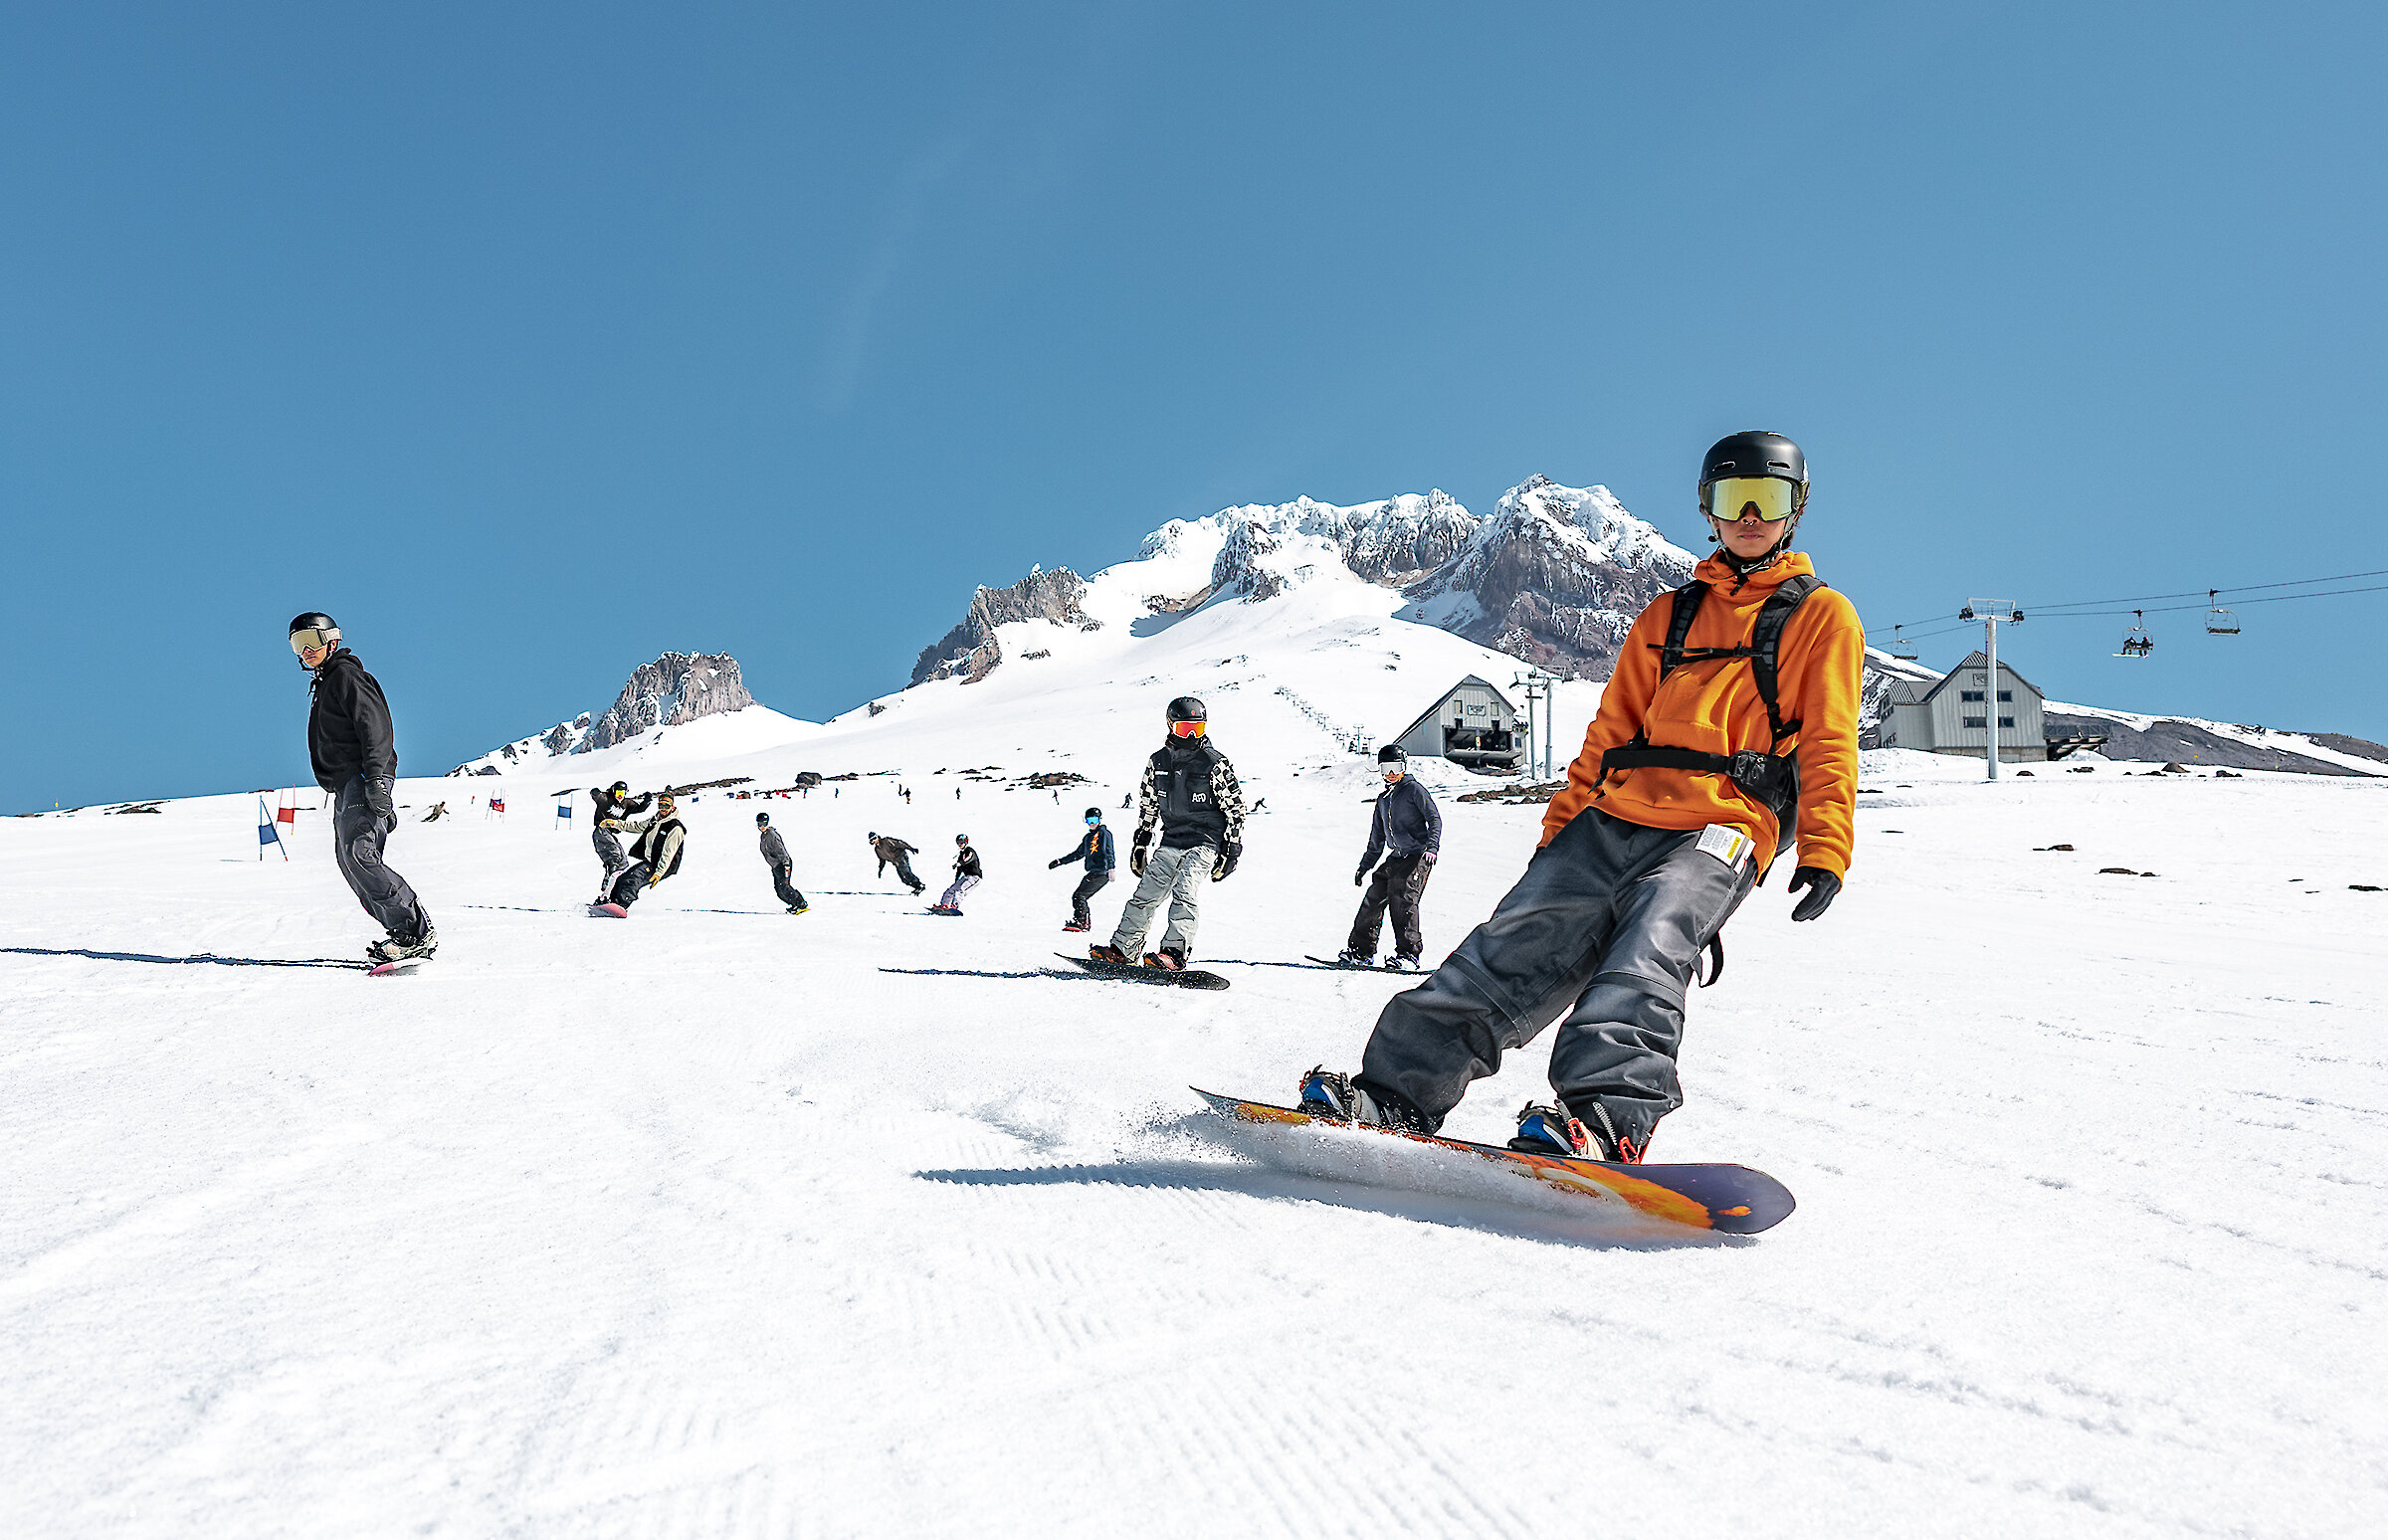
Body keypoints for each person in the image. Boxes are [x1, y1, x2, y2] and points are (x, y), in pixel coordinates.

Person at [1299, 432, 1863, 1164]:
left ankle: (1602, 1120)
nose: (1750, 516)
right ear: (1709, 510)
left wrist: (1824, 849)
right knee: (1508, 947)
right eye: (1733, 499)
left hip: (1723, 824)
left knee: (1651, 948)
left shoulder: (1822, 616)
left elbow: (1828, 738)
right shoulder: (1668, 616)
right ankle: (1395, 1093)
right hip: (1611, 815)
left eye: (1769, 498)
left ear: (1797, 508)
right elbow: (1607, 737)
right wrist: (1558, 832)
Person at [290, 612, 435, 964]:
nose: (305, 650)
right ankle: (403, 933)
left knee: (360, 854)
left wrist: (377, 782)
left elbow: (375, 727)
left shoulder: (346, 677)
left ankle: (413, 930)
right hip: (346, 785)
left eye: (311, 640)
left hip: (362, 777)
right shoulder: (327, 683)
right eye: (297, 644)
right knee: (349, 860)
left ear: (332, 640)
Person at [1091, 696, 1245, 971]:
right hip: (1172, 838)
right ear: (1171, 725)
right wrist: (1141, 843)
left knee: (1185, 891)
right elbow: (1149, 804)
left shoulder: (1214, 762)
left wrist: (1231, 850)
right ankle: (1123, 949)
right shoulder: (1158, 761)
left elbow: (1235, 808)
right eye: (1185, 729)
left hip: (1205, 840)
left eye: (1197, 729)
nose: (1191, 736)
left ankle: (1173, 953)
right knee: (1145, 894)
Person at [1340, 744, 1442, 970]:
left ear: (1404, 767)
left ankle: (1408, 955)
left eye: (1397, 767)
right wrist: (1364, 866)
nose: (1392, 773)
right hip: (1396, 857)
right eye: (1386, 768)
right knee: (1373, 898)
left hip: (1418, 855)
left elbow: (1434, 818)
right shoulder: (1383, 799)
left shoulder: (1414, 790)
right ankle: (1361, 952)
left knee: (1403, 898)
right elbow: (1376, 838)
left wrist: (1432, 847)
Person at [606, 793, 688, 910]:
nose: (663, 809)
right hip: (650, 861)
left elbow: (668, 853)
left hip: (661, 865)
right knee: (622, 879)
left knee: (632, 880)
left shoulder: (675, 828)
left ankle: (621, 906)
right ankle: (611, 904)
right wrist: (615, 823)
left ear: (672, 807)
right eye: (661, 805)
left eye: (667, 806)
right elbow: (637, 826)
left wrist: (659, 873)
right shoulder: (655, 820)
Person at [1049, 807, 1116, 932]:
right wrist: (1060, 861)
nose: (1092, 823)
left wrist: (1111, 868)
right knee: (1078, 896)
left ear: (1100, 820)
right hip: (1093, 872)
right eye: (1089, 820)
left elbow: (1109, 851)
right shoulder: (1088, 838)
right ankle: (1081, 921)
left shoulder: (1104, 834)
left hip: (1102, 872)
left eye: (1095, 820)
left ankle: (1082, 923)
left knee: (1080, 896)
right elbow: (1078, 854)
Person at [590, 780, 655, 899]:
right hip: (601, 831)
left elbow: (640, 808)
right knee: (614, 856)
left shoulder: (627, 803)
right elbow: (595, 795)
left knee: (623, 863)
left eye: (622, 793)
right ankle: (608, 879)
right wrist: (595, 792)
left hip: (611, 833)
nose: (620, 796)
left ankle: (610, 890)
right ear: (613, 791)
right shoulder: (606, 799)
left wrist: (647, 800)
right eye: (618, 792)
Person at [757, 812, 808, 914]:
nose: (762, 827)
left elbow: (781, 849)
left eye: (764, 824)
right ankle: (794, 904)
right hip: (775, 865)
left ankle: (801, 904)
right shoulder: (764, 836)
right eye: (760, 824)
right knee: (779, 891)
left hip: (783, 863)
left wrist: (786, 864)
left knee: (784, 887)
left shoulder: (772, 835)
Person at [933, 834, 982, 913]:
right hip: (966, 876)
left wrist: (960, 863)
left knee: (961, 889)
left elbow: (968, 859)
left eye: (961, 842)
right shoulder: (961, 854)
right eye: (958, 843)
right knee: (951, 890)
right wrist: (956, 880)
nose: (959, 844)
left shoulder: (970, 851)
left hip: (975, 877)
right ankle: (944, 905)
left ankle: (954, 906)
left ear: (966, 842)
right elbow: (959, 869)